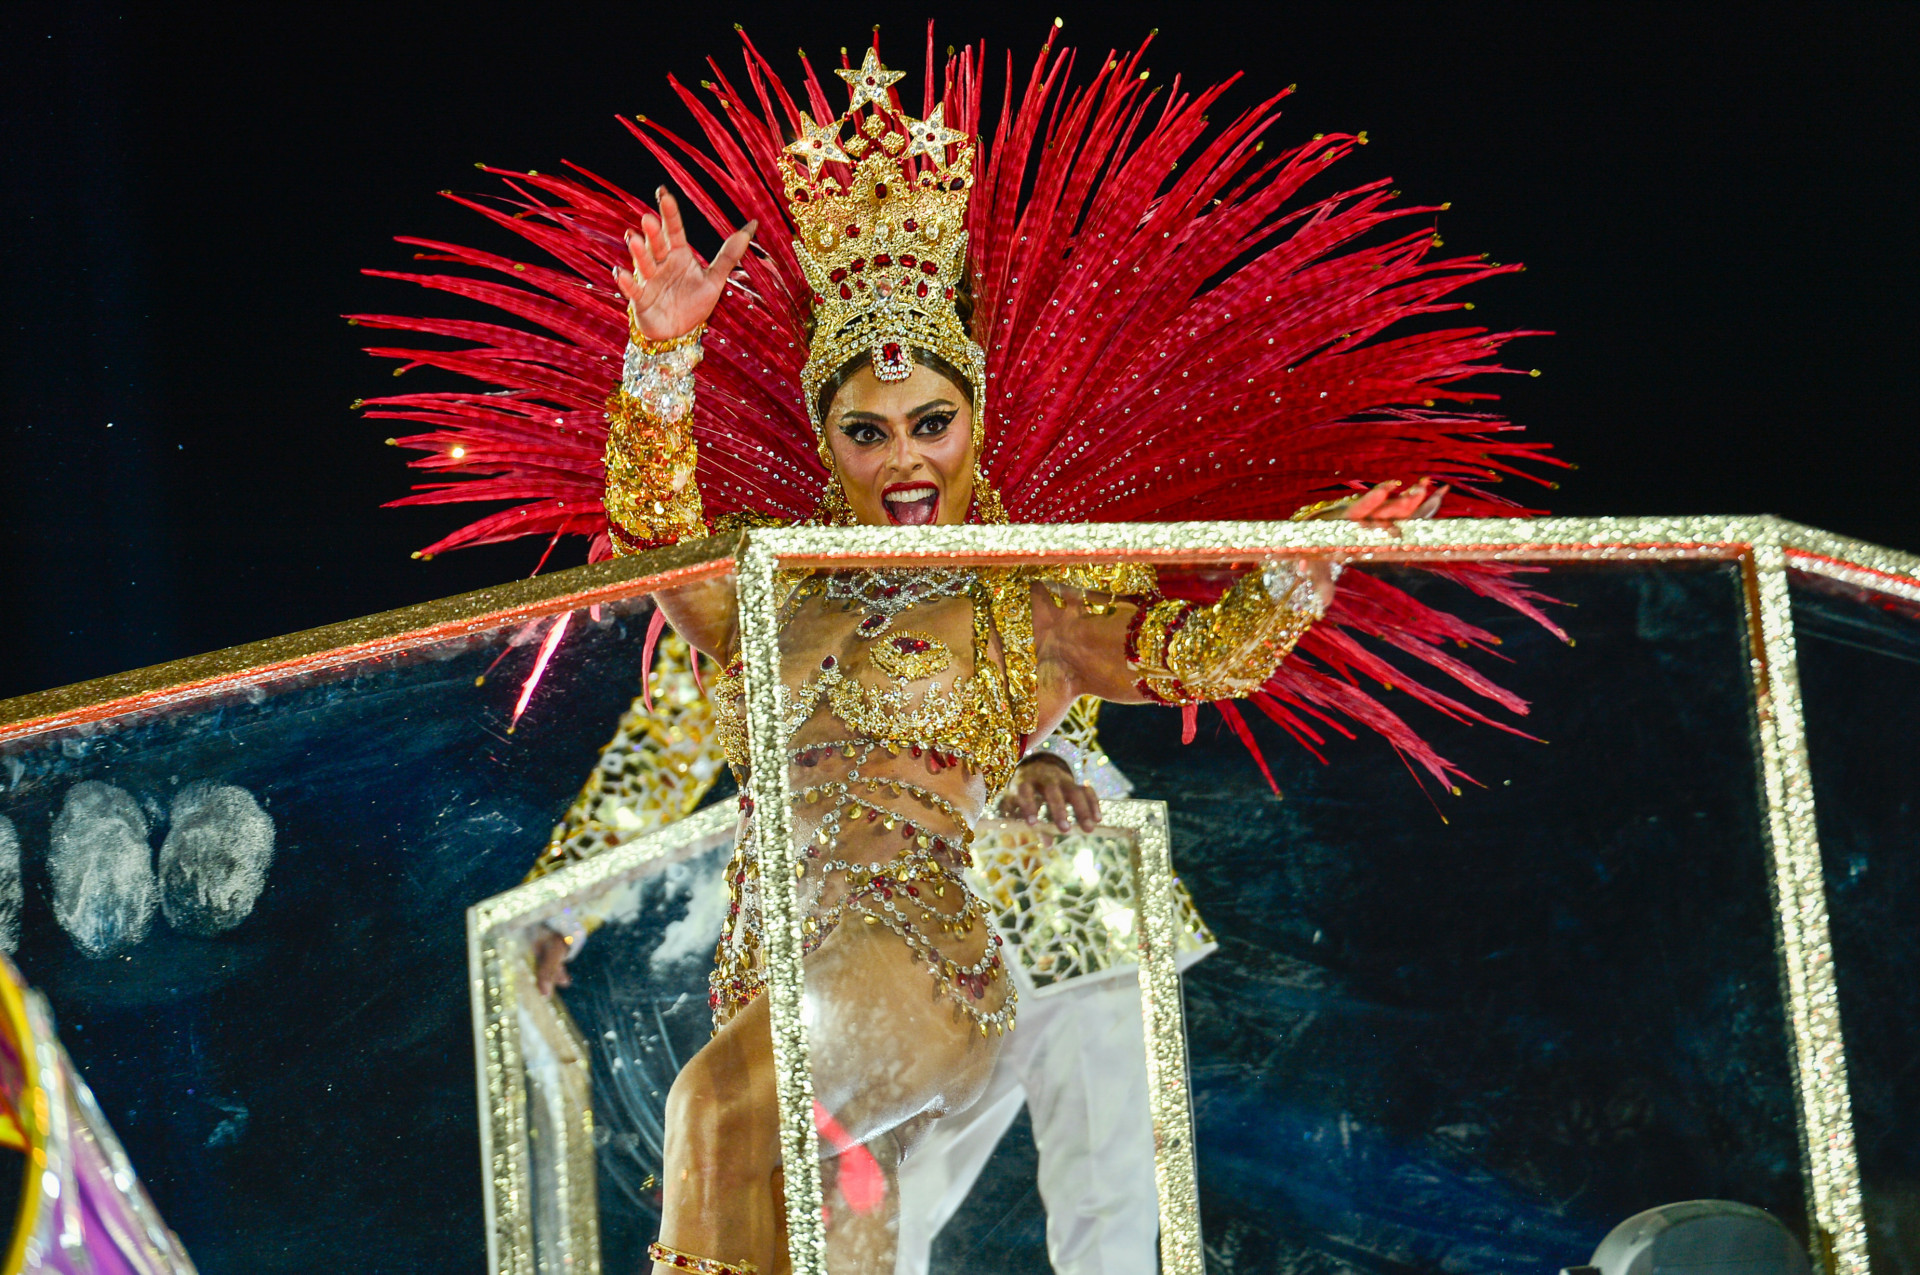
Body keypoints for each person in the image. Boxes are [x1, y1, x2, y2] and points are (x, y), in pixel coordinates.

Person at [360, 29, 1557, 1275]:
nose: (904, 461)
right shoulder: (770, 596)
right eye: (868, 434)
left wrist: (1295, 574)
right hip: (778, 958)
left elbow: (1198, 656)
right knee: (826, 1223)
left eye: (932, 423)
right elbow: (649, 572)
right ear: (829, 448)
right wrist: (663, 352)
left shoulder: (1023, 600)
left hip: (967, 932)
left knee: (776, 1129)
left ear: (979, 422)